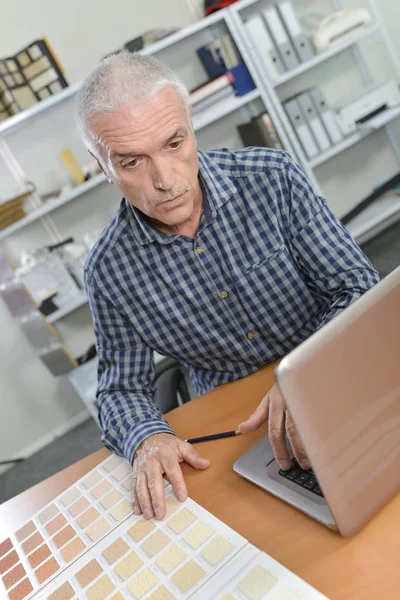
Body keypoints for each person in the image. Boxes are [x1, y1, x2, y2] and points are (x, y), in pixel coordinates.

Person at [77, 52, 380, 521]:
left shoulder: (272, 178)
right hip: (235, 430)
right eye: (133, 161)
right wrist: (146, 437)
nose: (164, 180)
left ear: (191, 125)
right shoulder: (109, 269)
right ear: (102, 166)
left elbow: (358, 287)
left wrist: (300, 380)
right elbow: (120, 390)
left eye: (174, 143)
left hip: (336, 380)